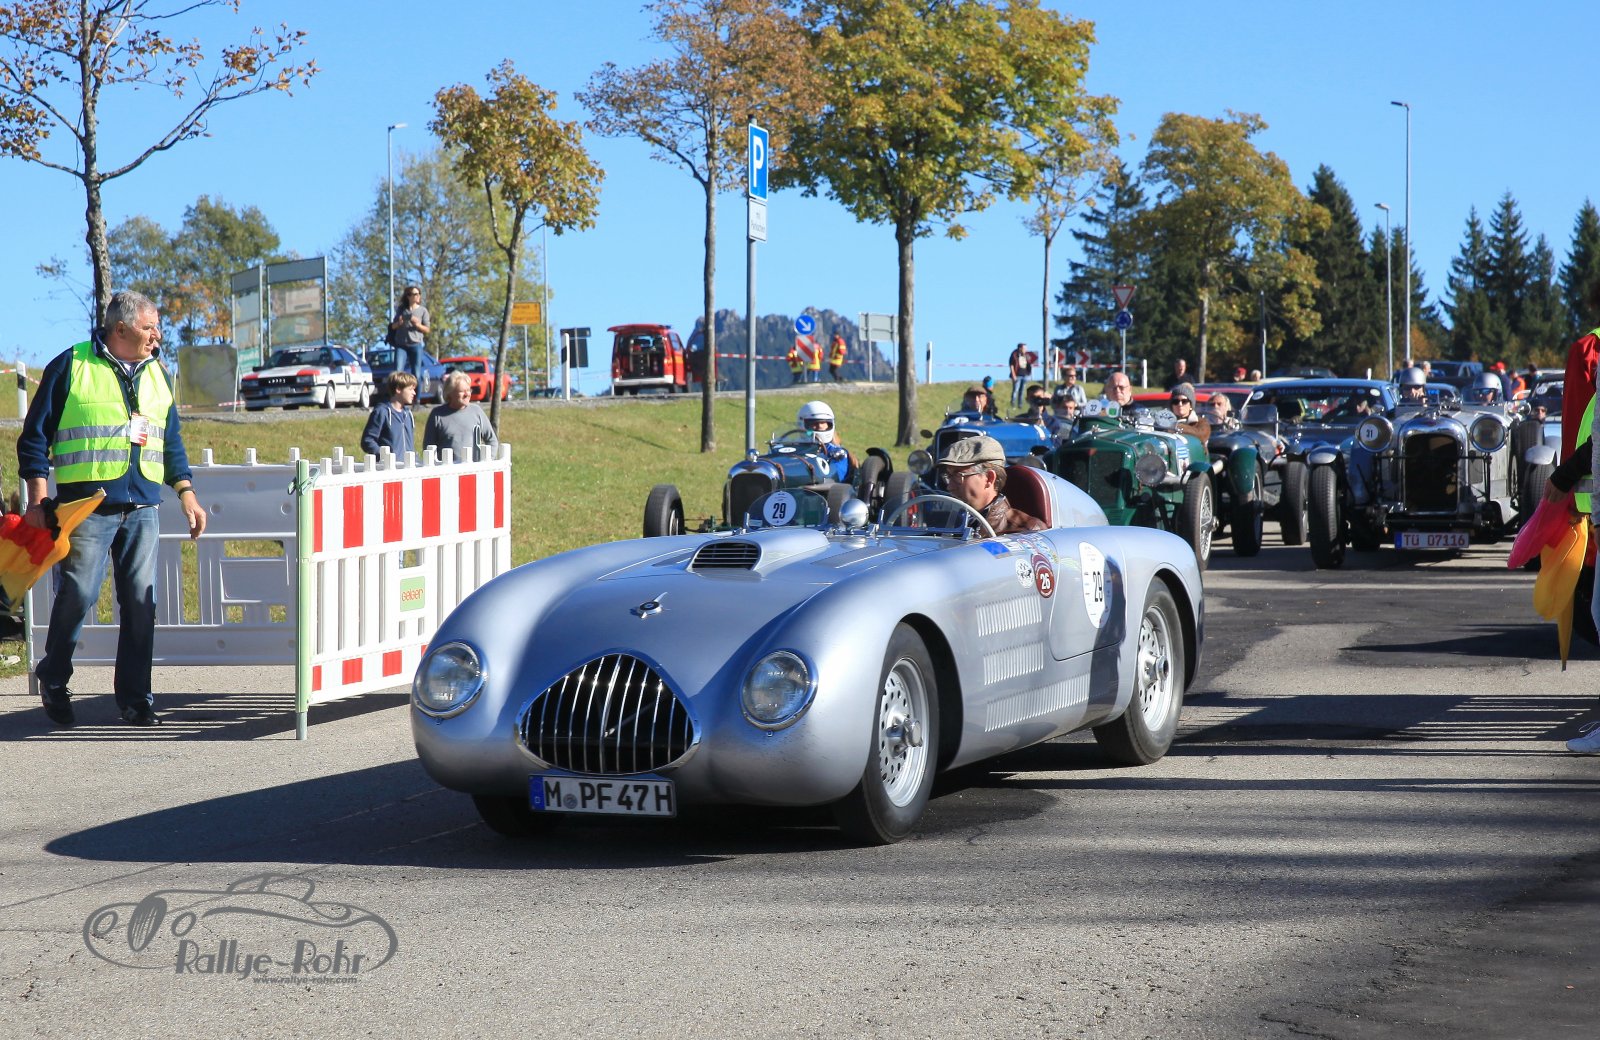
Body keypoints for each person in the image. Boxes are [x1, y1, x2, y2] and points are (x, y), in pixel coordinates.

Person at [19, 290, 208, 728]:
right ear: (120, 329)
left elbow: (170, 441)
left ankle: (136, 700)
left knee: (141, 603)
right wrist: (37, 497)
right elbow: (34, 437)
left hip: (143, 506)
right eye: (149, 327)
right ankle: (54, 676)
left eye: (157, 328)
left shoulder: (158, 373)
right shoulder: (71, 365)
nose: (157, 336)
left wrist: (186, 491)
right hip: (88, 507)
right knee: (79, 594)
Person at [935, 435, 1045, 534]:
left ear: (989, 478)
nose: (949, 487)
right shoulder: (943, 525)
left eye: (958, 476)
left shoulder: (1025, 532)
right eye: (948, 477)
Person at [423, 371, 500, 462]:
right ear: (450, 393)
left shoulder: (477, 412)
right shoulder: (437, 415)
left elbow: (492, 440)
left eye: (468, 390)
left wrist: (487, 461)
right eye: (462, 391)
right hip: (447, 468)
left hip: (474, 469)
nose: (467, 394)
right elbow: (428, 447)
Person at [362, 371, 418, 458]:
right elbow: (367, 440)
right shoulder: (382, 412)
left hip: (408, 464)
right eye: (410, 389)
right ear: (398, 389)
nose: (414, 393)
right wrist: (385, 455)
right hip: (389, 465)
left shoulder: (408, 414)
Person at [797, 400, 853, 481]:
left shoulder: (837, 453)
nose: (820, 426)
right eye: (814, 423)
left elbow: (836, 478)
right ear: (803, 424)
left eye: (823, 423)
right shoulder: (794, 448)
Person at [388, 285, 430, 353]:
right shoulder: (401, 310)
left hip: (416, 344)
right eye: (416, 294)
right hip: (401, 345)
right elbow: (392, 327)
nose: (418, 296)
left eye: (419, 294)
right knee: (398, 360)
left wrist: (418, 325)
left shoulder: (423, 310)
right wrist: (399, 323)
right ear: (408, 296)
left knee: (416, 360)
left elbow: (427, 329)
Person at [1008, 343, 1032, 408]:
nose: (1025, 350)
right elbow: (1011, 365)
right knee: (1015, 390)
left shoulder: (1026, 355)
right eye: (1024, 348)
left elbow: (1029, 363)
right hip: (1017, 375)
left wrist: (1029, 373)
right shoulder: (1014, 355)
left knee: (1022, 390)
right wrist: (1013, 375)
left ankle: (1020, 404)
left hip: (1025, 375)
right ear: (1020, 348)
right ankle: (1013, 403)